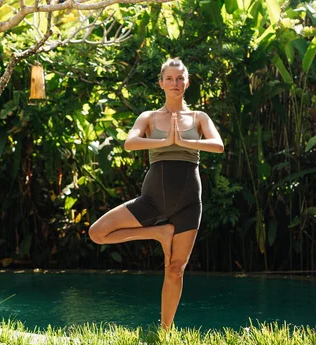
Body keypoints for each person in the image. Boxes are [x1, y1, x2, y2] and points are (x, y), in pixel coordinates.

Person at [88, 58, 224, 329]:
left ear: (187, 82)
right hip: (152, 200)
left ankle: (165, 332)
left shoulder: (199, 118)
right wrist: (164, 141)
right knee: (97, 232)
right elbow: (130, 142)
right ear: (161, 83)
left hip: (188, 203)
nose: (175, 83)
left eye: (180, 78)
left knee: (175, 270)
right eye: (170, 79)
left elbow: (218, 145)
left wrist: (184, 141)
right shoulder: (148, 117)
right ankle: (158, 232)